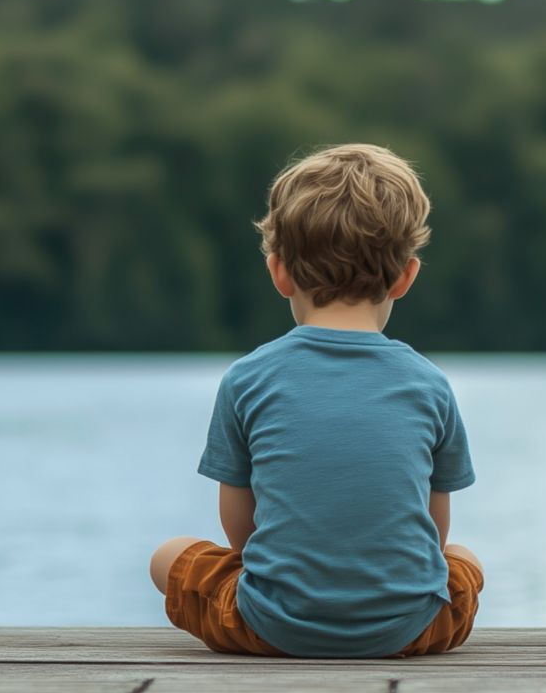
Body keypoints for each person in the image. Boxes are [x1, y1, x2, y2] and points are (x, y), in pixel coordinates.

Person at [148, 143, 484, 658]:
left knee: (167, 557)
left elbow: (239, 530)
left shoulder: (248, 378)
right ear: (405, 277)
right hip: (412, 630)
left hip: (269, 627)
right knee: (464, 560)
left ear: (278, 271)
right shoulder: (430, 383)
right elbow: (435, 532)